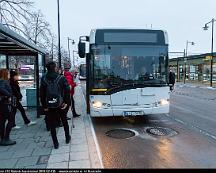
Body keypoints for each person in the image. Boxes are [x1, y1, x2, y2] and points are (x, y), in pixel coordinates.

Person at [40, 61, 71, 149]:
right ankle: (67, 137)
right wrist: (66, 102)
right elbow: (67, 90)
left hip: (49, 105)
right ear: (55, 68)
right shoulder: (61, 78)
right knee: (64, 120)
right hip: (60, 103)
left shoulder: (43, 79)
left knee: (52, 123)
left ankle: (55, 143)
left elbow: (42, 94)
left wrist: (44, 106)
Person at [0, 69, 16, 146]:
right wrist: (10, 95)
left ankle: (2, 138)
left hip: (2, 104)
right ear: (5, 74)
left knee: (2, 121)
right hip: (5, 104)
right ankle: (6, 138)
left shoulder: (2, 81)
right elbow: (1, 89)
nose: (9, 74)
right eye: (8, 73)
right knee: (11, 120)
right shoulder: (3, 81)